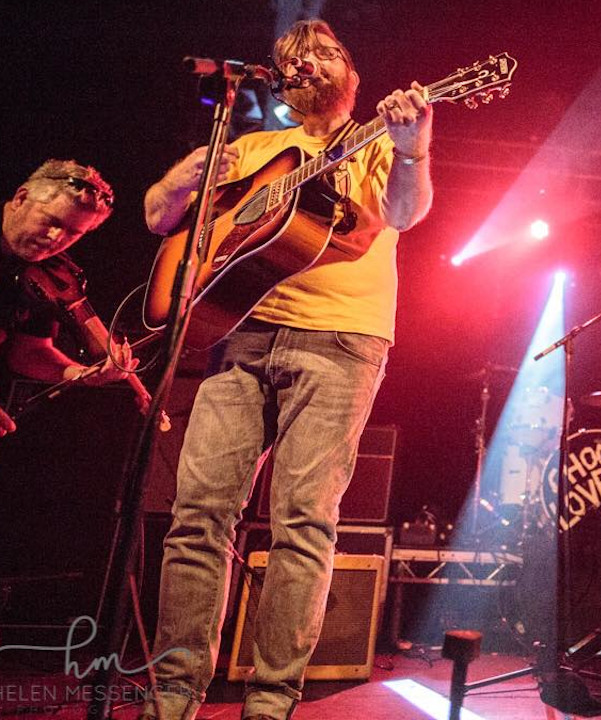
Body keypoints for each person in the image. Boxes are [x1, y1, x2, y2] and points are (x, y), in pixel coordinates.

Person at [140, 19, 432, 720]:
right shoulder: (253, 148)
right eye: (295, 58)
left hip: (340, 339)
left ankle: (271, 700)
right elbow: (157, 217)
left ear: (352, 76)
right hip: (236, 334)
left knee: (303, 521)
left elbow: (404, 212)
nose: (310, 63)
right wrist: (188, 185)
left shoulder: (375, 141)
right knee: (197, 515)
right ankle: (175, 692)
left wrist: (414, 147)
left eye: (325, 53)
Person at [0, 160, 133, 546]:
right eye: (51, 221)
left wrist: (77, 373)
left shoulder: (43, 272)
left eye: (74, 233)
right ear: (21, 198)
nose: (56, 239)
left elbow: (29, 350)